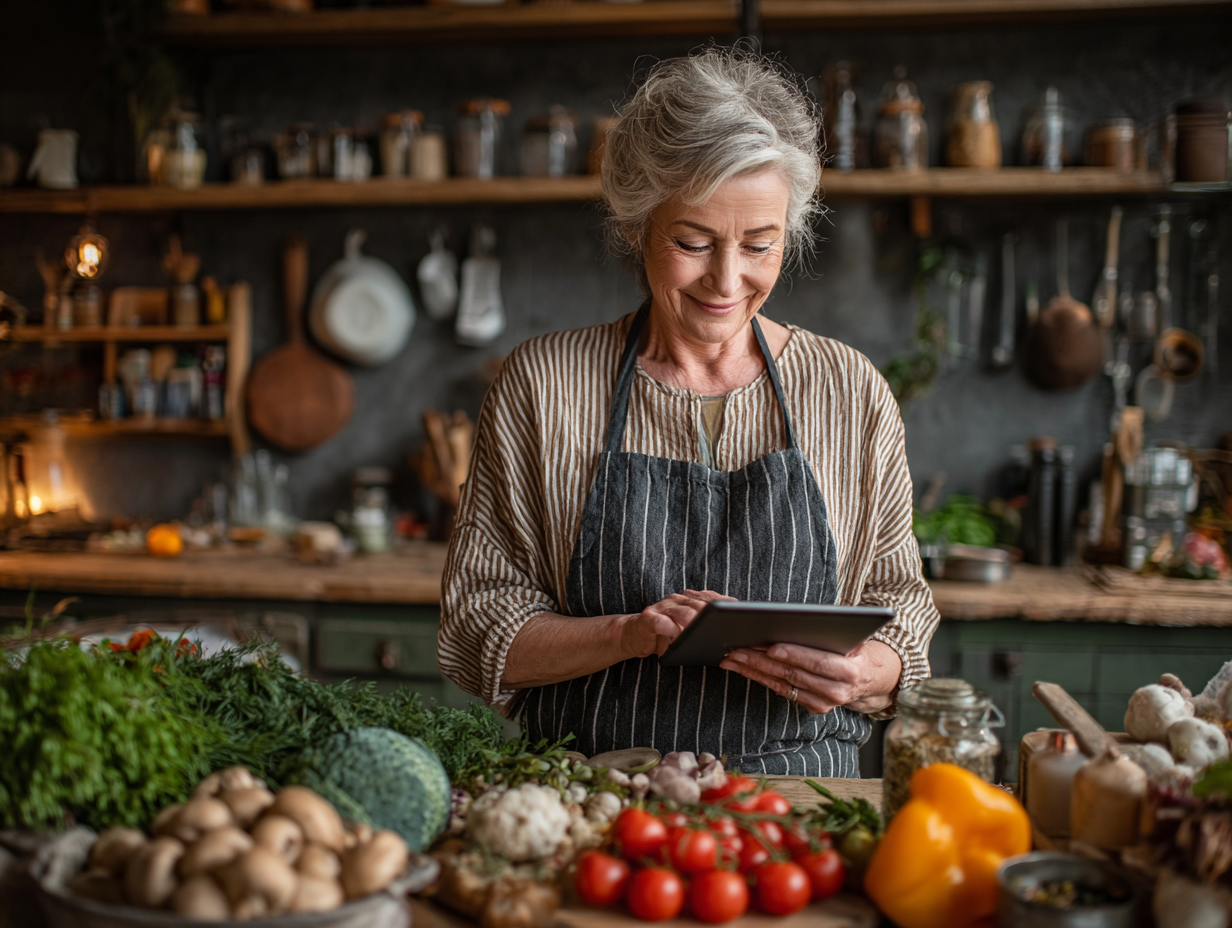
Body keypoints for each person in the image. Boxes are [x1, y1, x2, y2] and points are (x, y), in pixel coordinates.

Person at [439, 48, 939, 776]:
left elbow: (904, 605)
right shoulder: (542, 386)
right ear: (637, 226)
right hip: (598, 799)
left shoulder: (849, 389)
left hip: (796, 803)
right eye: (692, 242)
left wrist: (871, 672)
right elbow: (478, 627)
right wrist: (626, 635)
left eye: (760, 246)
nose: (726, 281)